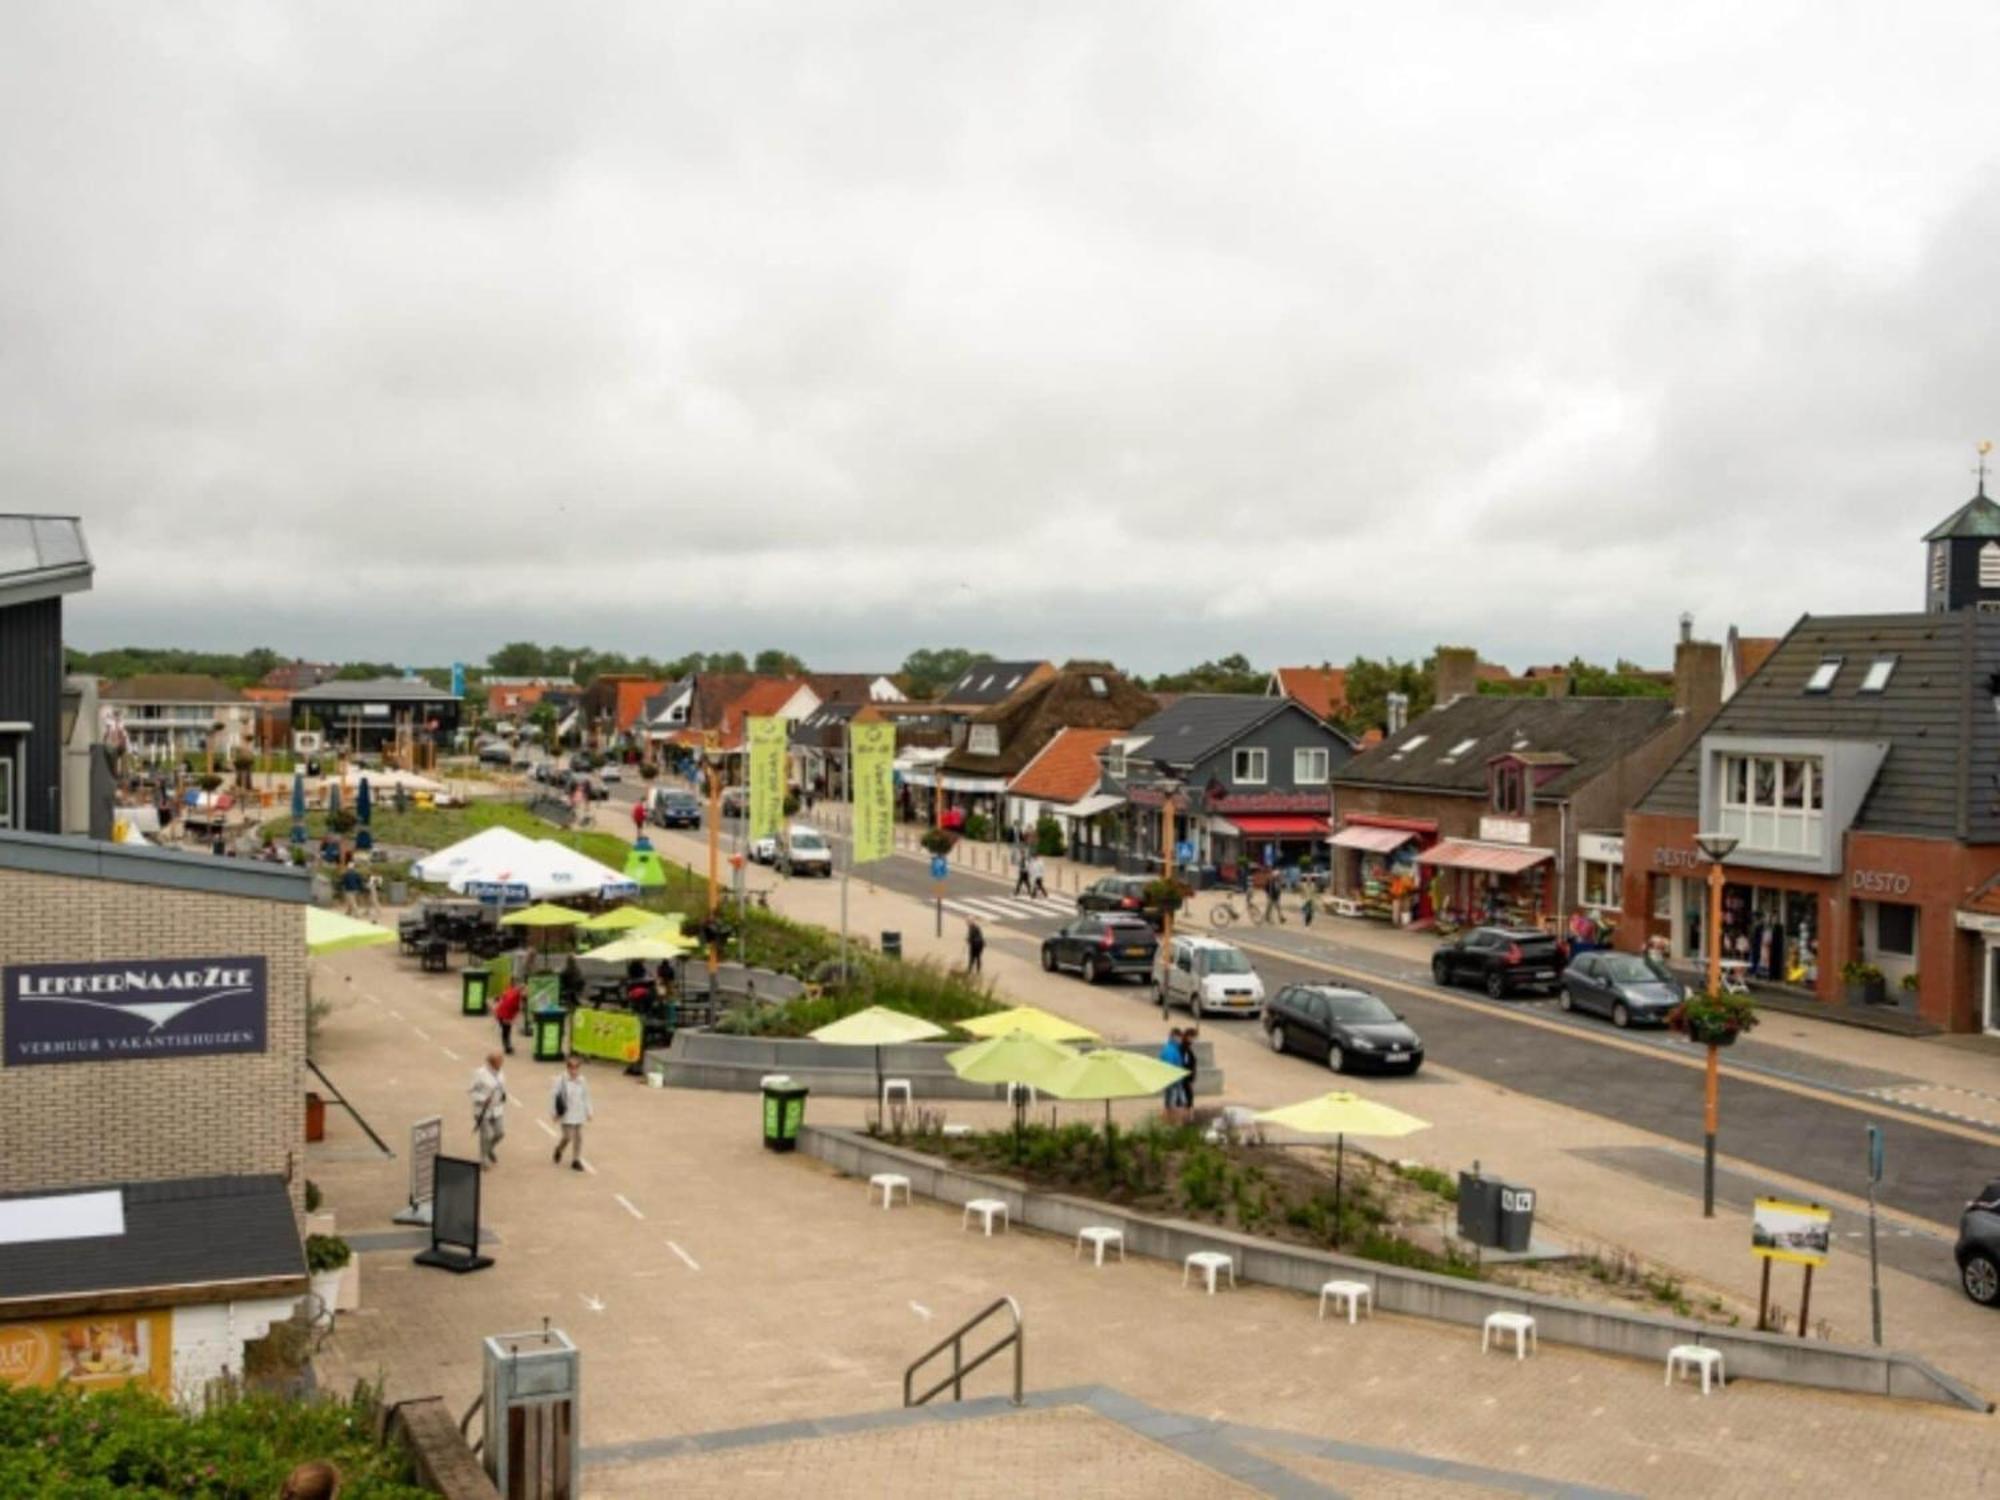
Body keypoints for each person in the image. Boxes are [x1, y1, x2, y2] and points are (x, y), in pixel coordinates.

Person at [551, 1054, 593, 1170]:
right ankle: (559, 1149)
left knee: (579, 1137)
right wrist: (554, 1112)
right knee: (567, 1136)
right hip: (566, 1114)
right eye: (572, 1068)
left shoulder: (582, 1080)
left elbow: (586, 1096)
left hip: (578, 1112)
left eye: (576, 1068)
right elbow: (554, 1096)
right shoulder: (561, 1080)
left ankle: (576, 1159)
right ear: (568, 1068)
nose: (574, 1071)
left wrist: (589, 1111)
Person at [470, 1052, 507, 1167]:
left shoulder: (501, 1073)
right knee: (487, 1135)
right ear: (492, 1062)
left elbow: (502, 1087)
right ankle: (483, 1158)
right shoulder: (479, 1073)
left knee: (500, 1133)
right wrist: (483, 1098)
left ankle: (489, 1149)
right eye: (499, 1061)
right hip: (483, 1110)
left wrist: (503, 1096)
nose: (501, 1063)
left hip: (497, 1109)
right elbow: (471, 1091)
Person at [1159, 1026, 1187, 1120]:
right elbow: (1169, 1067)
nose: (1181, 1040)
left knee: (1172, 1103)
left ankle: (1171, 1120)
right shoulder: (1170, 1050)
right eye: (1179, 1038)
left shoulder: (1173, 1049)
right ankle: (1172, 1121)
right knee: (1173, 1104)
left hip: (1175, 1081)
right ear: (1174, 1037)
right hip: (1174, 1081)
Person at [493, 979, 524, 1055]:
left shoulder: (510, 990)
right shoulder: (515, 995)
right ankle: (507, 1047)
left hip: (501, 1013)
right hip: (504, 1015)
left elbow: (502, 997)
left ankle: (507, 1046)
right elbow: (516, 1007)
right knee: (506, 1030)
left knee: (506, 1030)